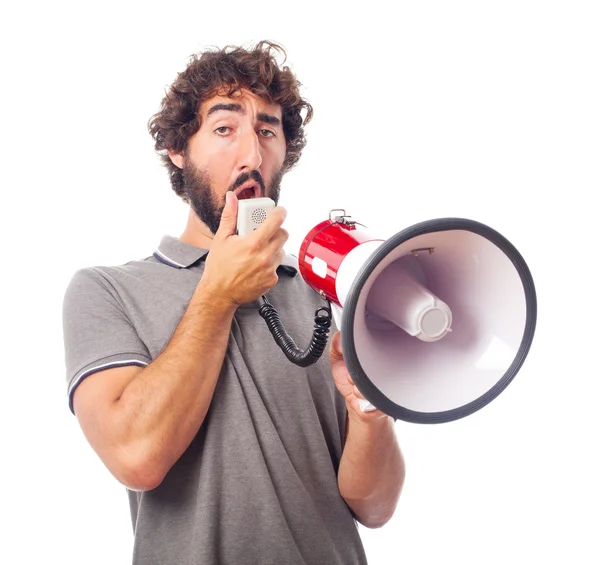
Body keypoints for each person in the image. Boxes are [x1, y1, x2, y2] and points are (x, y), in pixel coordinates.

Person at [62, 40, 405, 565]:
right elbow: (136, 456)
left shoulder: (327, 290)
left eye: (267, 131)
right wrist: (219, 294)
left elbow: (375, 506)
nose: (252, 155)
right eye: (224, 129)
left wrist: (367, 411)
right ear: (179, 150)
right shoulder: (106, 291)